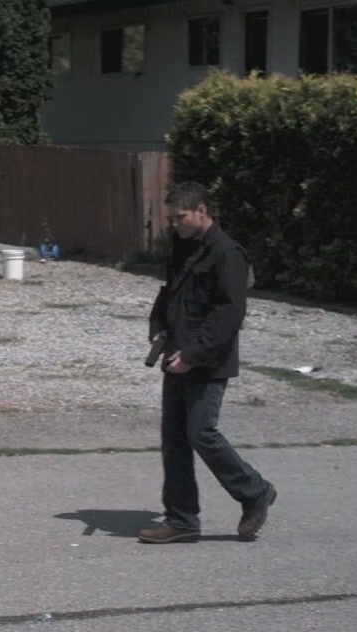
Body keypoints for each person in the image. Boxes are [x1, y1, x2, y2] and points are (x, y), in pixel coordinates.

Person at [140, 181, 277, 544]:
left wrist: (193, 355)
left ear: (201, 212)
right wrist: (158, 326)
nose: (174, 224)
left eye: (180, 217)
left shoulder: (227, 253)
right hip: (177, 355)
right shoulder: (182, 246)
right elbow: (169, 292)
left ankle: (255, 492)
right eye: (171, 218)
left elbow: (229, 313)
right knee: (174, 440)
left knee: (201, 432)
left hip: (208, 360)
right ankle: (181, 520)